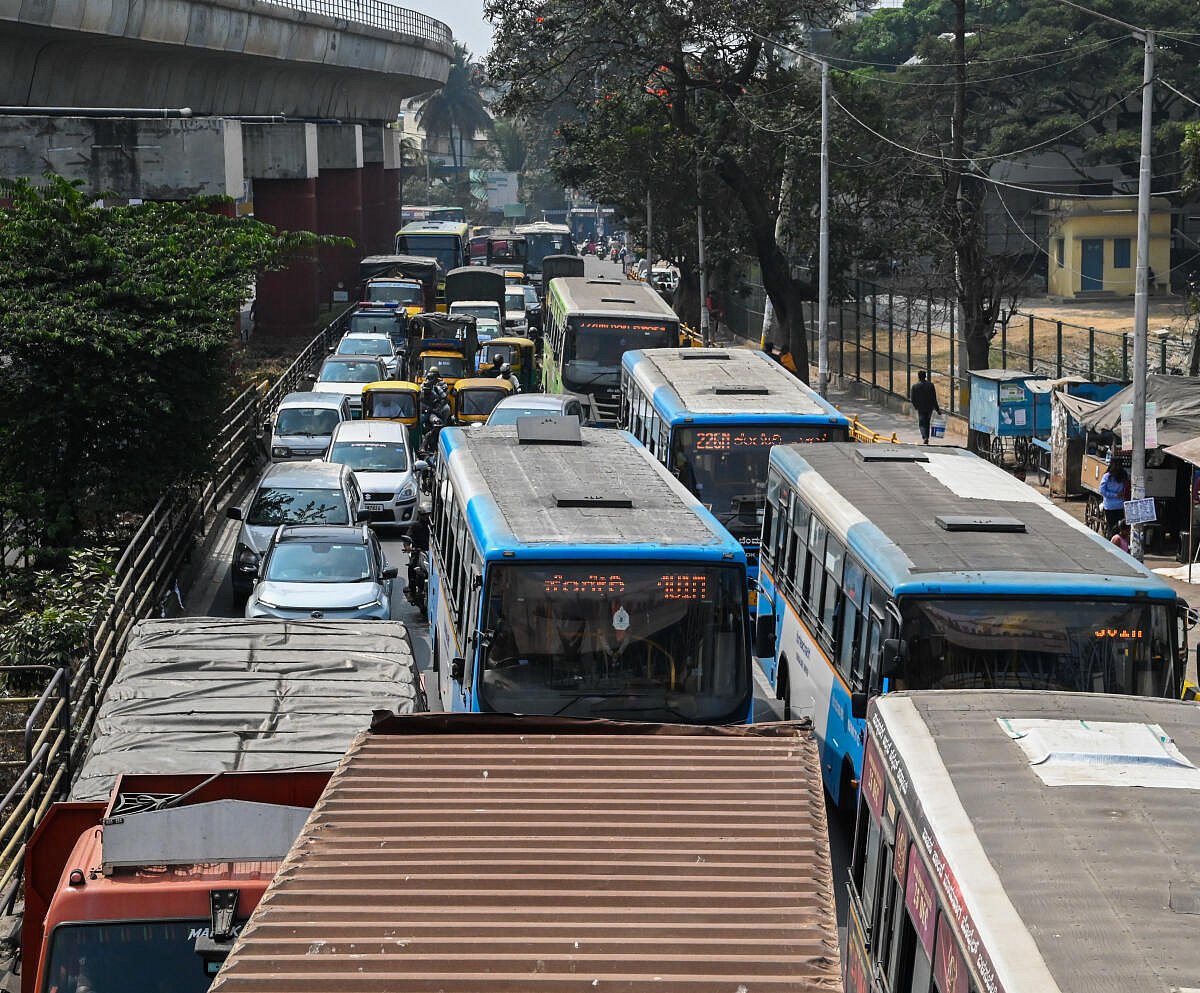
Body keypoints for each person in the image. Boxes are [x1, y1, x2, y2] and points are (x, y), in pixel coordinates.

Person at [909, 370, 942, 445]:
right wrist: (937, 409)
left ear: (918, 377)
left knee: (922, 423)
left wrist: (916, 406)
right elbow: (934, 398)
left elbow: (913, 399)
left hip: (921, 408)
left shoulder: (915, 386)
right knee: (927, 422)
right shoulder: (931, 385)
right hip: (929, 407)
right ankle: (927, 437)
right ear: (925, 376)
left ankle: (925, 437)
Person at [1100, 462, 1129, 536]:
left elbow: (1102, 491)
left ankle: (1111, 541)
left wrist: (1114, 495)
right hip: (1120, 506)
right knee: (1120, 527)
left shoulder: (1106, 476)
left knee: (1111, 527)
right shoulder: (1124, 475)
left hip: (1109, 506)